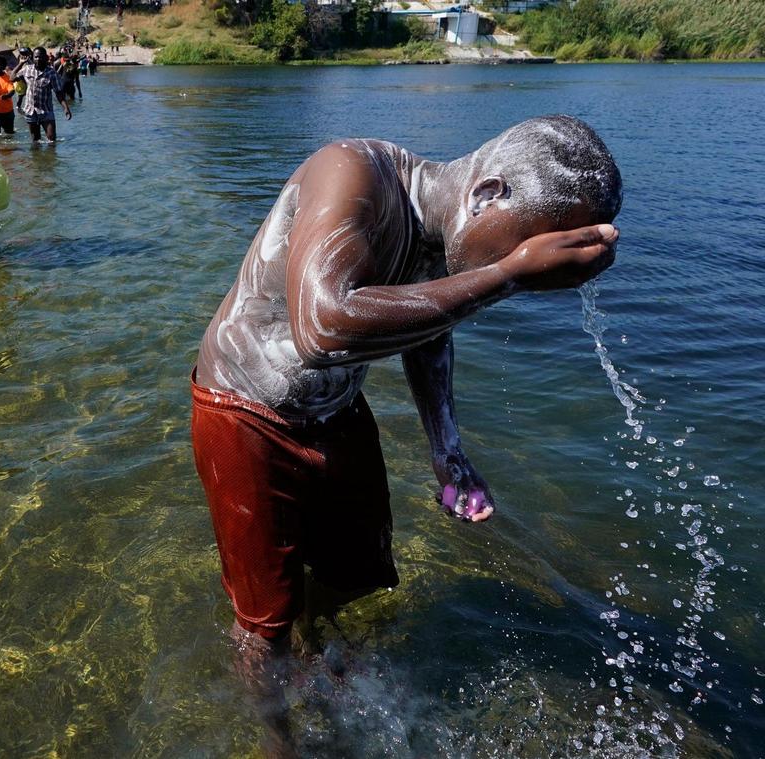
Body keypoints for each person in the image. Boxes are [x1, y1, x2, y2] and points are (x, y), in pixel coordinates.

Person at [190, 115, 621, 756]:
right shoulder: (352, 171)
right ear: (487, 193)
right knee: (266, 623)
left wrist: (447, 450)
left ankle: (325, 664)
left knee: (356, 576)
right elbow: (322, 327)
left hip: (337, 411)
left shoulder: (439, 234)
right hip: (245, 413)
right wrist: (506, 274)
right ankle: (279, 741)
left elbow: (427, 326)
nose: (512, 277)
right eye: (513, 252)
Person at [11, 47, 72, 143]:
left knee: (52, 140)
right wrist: (21, 63)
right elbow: (12, 78)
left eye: (40, 57)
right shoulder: (27, 69)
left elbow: (59, 93)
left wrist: (65, 108)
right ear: (33, 57)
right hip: (30, 111)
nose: (38, 59)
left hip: (46, 110)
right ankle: (36, 157)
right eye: (36, 57)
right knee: (35, 141)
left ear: (46, 58)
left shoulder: (51, 73)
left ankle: (50, 158)